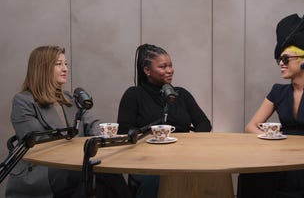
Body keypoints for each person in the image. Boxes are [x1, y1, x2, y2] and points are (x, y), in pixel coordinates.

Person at [237, 13, 304, 198]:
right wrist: (273, 139)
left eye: (286, 59)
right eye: (279, 59)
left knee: (266, 178)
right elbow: (250, 126)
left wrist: (297, 143)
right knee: (248, 175)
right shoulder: (278, 91)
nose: (281, 63)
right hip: (279, 157)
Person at [6, 45, 129, 198]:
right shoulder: (23, 101)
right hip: (41, 169)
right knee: (87, 174)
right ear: (41, 69)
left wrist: (106, 137)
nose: (65, 69)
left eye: (66, 64)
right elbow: (40, 142)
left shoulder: (70, 98)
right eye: (59, 64)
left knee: (109, 171)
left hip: (72, 164)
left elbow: (92, 124)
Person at [117, 43, 212, 198]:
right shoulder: (133, 95)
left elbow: (204, 123)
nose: (170, 70)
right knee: (157, 178)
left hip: (183, 157)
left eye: (170, 65)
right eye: (163, 67)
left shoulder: (181, 94)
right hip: (146, 162)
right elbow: (124, 131)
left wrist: (188, 144)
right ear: (147, 70)